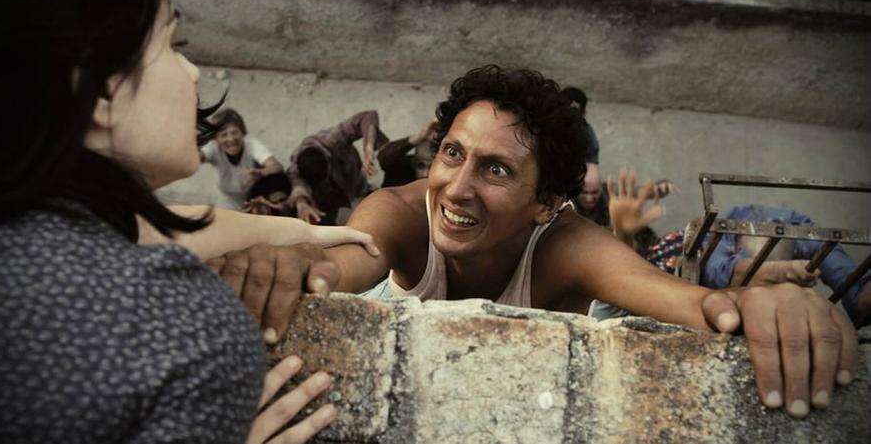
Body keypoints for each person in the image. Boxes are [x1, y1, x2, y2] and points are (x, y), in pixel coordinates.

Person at [211, 65, 859, 420]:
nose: (456, 187)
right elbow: (340, 261)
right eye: (452, 153)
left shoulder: (567, 246)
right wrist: (292, 261)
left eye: (494, 169)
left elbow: (692, 303)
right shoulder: (401, 213)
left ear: (547, 203)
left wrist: (765, 305)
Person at [0, 0, 379, 442]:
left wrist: (310, 233)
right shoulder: (190, 332)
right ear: (102, 89)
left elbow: (179, 226)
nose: (193, 72)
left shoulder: (27, 228)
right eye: (172, 44)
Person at [702, 204, 871, 324]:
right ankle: (759, 274)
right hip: (733, 234)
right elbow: (713, 270)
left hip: (744, 232)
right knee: (715, 266)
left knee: (829, 255)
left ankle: (759, 274)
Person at [286, 111, 389, 225]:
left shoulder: (331, 139)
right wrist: (301, 203)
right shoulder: (295, 169)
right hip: (328, 199)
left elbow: (367, 116)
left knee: (366, 192)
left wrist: (369, 147)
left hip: (351, 174)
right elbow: (298, 186)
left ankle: (365, 192)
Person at [200, 107, 284, 210]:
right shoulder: (213, 148)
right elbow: (197, 157)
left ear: (242, 132)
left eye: (234, 132)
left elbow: (277, 166)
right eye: (224, 135)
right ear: (216, 138)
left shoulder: (252, 145)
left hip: (251, 208)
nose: (230, 139)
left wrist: (262, 172)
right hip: (226, 210)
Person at [378, 120, 438, 187]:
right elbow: (384, 158)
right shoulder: (402, 168)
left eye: (431, 167)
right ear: (413, 163)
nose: (425, 174)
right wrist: (420, 136)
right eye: (421, 166)